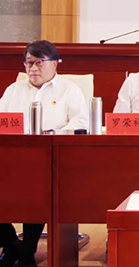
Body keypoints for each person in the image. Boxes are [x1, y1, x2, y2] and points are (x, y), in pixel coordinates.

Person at [0, 41, 88, 267]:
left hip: (51, 160)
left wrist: (53, 134)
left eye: (39, 63)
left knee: (37, 190)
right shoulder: (14, 90)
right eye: (29, 63)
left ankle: (27, 252)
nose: (33, 68)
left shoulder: (69, 90)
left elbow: (81, 122)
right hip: (11, 159)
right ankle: (12, 245)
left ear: (55, 64)